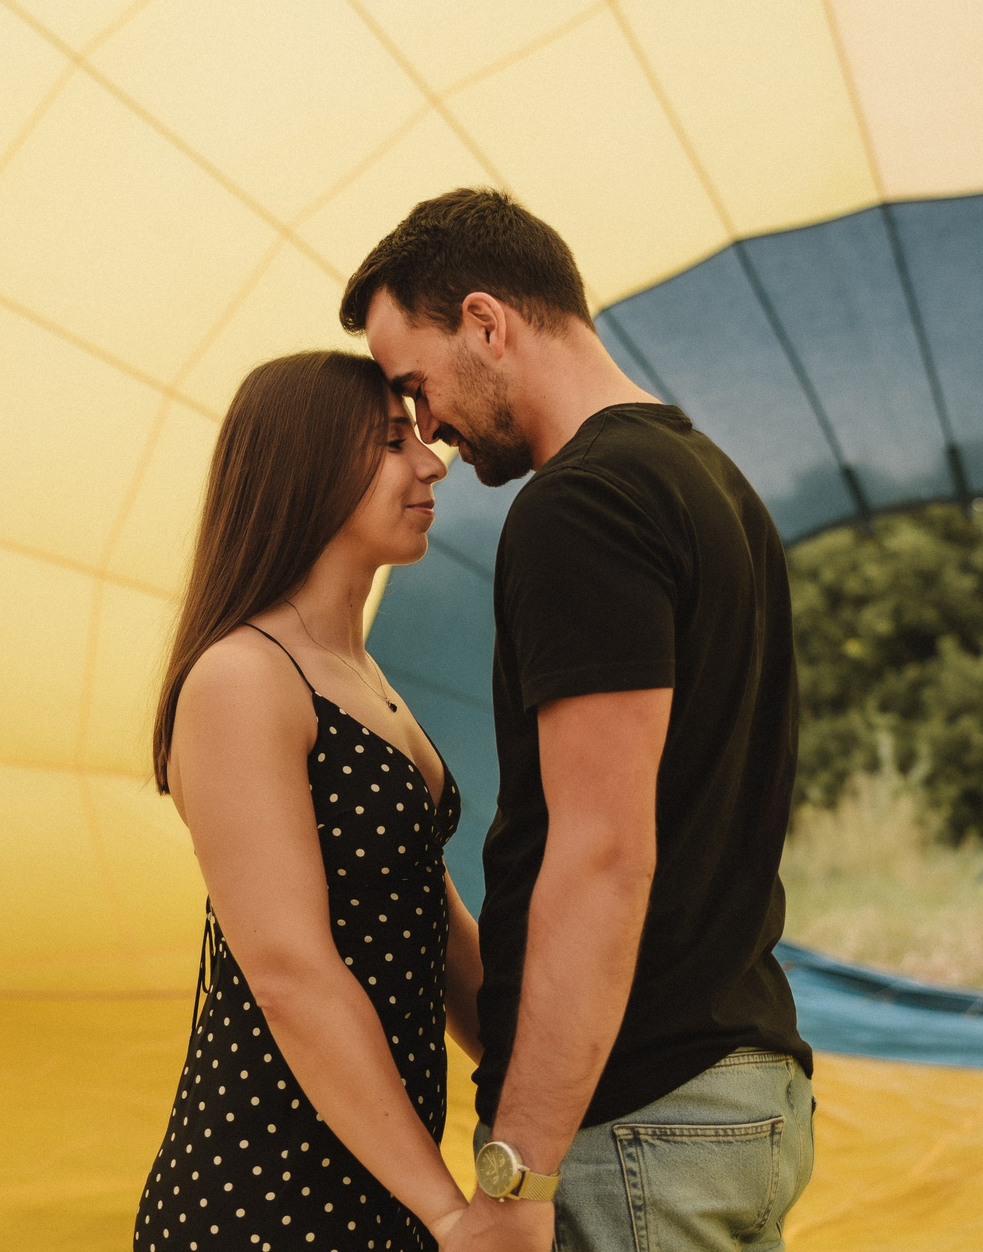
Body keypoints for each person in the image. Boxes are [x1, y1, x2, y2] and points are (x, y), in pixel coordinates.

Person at [341, 190, 813, 1252]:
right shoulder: (710, 481)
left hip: (637, 1116)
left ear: (486, 321)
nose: (429, 433)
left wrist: (517, 1172)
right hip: (739, 1095)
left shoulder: (580, 506)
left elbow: (601, 854)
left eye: (416, 387)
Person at [135, 349, 482, 1251]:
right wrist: (446, 1210)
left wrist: (569, 1082)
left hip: (380, 1173)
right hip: (268, 1192)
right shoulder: (244, 677)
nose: (432, 463)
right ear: (308, 468)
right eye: (391, 443)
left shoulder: (360, 673)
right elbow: (291, 974)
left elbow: (434, 929)